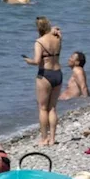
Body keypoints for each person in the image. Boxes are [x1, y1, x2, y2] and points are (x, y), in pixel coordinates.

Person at [23, 17, 62, 146]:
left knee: (43, 108)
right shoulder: (57, 38)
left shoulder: (39, 42)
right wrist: (54, 30)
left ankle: (44, 138)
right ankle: (53, 138)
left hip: (45, 74)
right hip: (58, 73)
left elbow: (36, 61)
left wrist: (28, 61)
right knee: (52, 108)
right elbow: (55, 31)